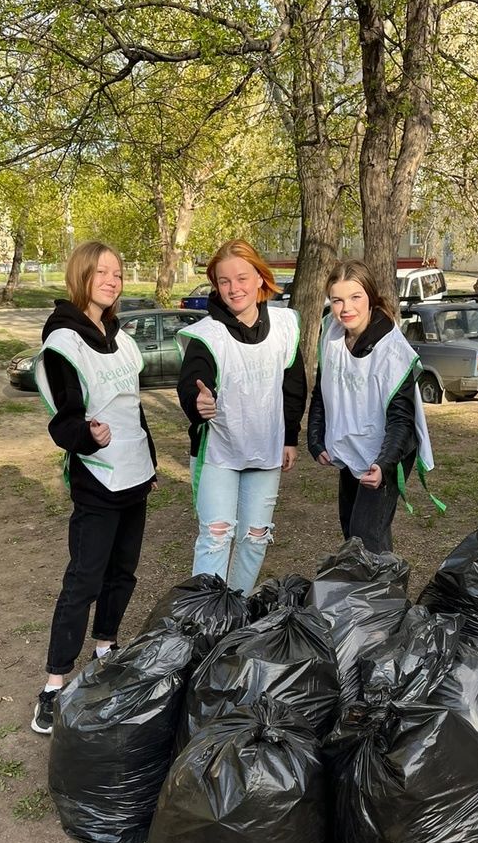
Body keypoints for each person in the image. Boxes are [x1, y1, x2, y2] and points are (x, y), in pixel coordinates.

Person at [31, 241, 158, 735]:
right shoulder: (64, 340)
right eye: (102, 272)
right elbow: (62, 422)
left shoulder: (120, 337)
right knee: (84, 579)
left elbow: (133, 408)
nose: (112, 280)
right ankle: (54, 685)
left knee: (123, 572)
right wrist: (88, 435)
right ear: (81, 275)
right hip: (97, 479)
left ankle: (106, 646)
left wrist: (149, 461)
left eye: (118, 273)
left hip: (134, 474)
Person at [176, 239, 306, 594]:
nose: (234, 289)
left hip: (265, 448)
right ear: (216, 285)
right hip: (219, 450)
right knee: (217, 534)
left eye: (242, 278)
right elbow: (192, 384)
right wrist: (198, 404)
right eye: (224, 281)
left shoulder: (284, 325)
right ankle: (205, 618)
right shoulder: (207, 335)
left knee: (256, 536)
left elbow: (293, 386)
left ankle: (236, 608)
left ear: (260, 278)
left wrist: (290, 437)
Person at [307, 259, 434, 554]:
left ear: (370, 297)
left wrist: (384, 464)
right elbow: (322, 391)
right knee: (352, 532)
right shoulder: (332, 334)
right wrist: (315, 439)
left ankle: (384, 599)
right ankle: (368, 595)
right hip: (352, 445)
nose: (345, 308)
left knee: (367, 535)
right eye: (337, 299)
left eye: (355, 297)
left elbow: (402, 419)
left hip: (386, 452)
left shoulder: (391, 350)